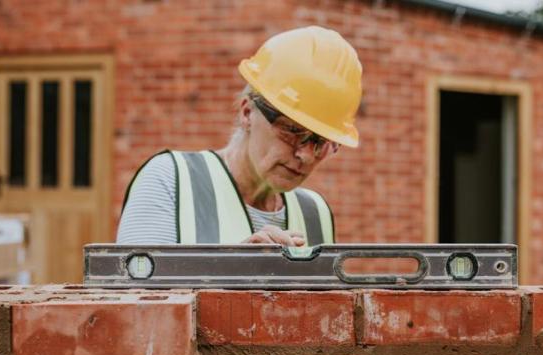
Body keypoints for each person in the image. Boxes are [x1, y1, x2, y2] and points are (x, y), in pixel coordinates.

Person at [116, 26, 363, 246]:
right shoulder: (170, 181)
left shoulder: (315, 213)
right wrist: (235, 277)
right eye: (293, 131)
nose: (307, 155)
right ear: (247, 113)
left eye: (322, 142)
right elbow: (137, 296)